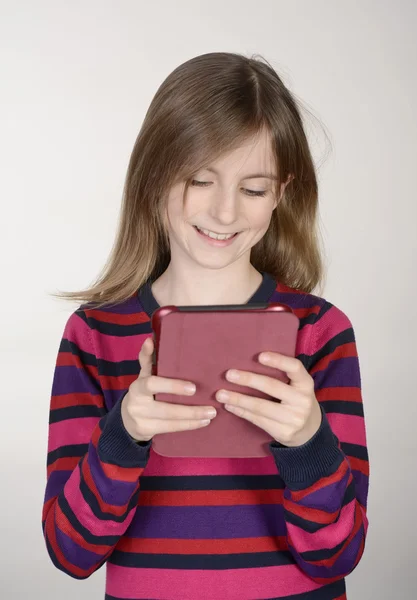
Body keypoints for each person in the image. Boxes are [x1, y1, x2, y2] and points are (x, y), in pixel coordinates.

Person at [42, 52, 369, 600]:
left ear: (281, 195)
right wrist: (124, 435)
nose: (224, 213)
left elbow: (338, 555)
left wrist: (309, 442)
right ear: (154, 175)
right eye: (199, 179)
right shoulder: (94, 335)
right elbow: (71, 552)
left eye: (254, 189)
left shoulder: (319, 332)